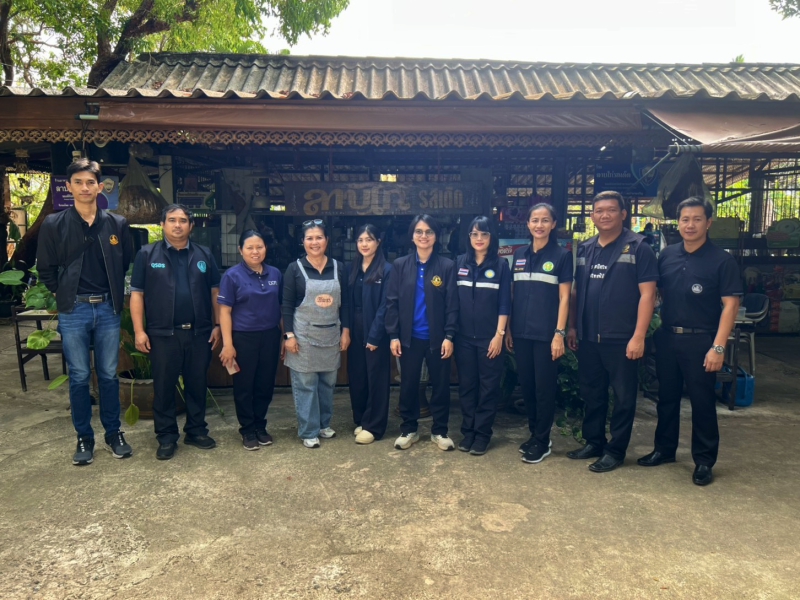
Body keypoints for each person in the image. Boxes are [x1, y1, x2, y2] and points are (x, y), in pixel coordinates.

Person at [638, 197, 742, 486]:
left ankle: (704, 460)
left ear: (708, 223)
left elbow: (731, 306)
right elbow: (654, 292)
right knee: (666, 398)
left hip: (701, 341)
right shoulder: (667, 255)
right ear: (678, 223)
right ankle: (664, 449)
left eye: (697, 219)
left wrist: (718, 347)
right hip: (668, 337)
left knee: (702, 402)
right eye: (685, 219)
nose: (690, 225)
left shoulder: (722, 261)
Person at [37, 158, 133, 466]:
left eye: (90, 182)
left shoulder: (117, 224)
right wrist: (62, 292)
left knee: (108, 374)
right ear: (69, 187)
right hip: (74, 309)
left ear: (100, 187)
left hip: (107, 308)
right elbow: (46, 267)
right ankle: (84, 437)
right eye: (78, 182)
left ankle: (113, 433)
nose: (84, 187)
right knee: (79, 376)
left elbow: (125, 261)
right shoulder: (54, 224)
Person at [566, 190, 658, 473]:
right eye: (599, 211)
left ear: (623, 214)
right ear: (592, 216)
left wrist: (638, 336)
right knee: (591, 392)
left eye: (611, 210)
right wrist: (573, 326)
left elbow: (648, 295)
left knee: (623, 397)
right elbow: (576, 291)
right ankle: (594, 442)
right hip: (588, 336)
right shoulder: (586, 248)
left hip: (622, 338)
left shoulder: (639, 247)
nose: (604, 215)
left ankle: (615, 450)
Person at [130, 204, 222, 461]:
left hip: (199, 333)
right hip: (162, 335)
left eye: (183, 220)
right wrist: (139, 331)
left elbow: (215, 292)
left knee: (197, 385)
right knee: (164, 387)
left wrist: (217, 325)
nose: (177, 225)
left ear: (191, 226)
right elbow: (137, 294)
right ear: (162, 224)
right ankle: (167, 437)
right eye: (172, 220)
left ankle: (196, 431)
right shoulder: (147, 254)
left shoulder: (204, 254)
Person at [506, 203, 573, 464]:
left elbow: (565, 298)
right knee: (528, 387)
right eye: (535, 220)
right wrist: (509, 328)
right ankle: (535, 434)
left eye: (545, 220)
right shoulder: (520, 254)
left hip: (546, 334)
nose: (539, 225)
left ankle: (543, 441)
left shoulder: (562, 256)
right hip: (521, 333)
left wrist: (559, 333)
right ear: (528, 224)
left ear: (553, 224)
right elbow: (513, 294)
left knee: (544, 389)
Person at [385, 214, 459, 451]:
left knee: (440, 386)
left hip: (438, 339)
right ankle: (409, 429)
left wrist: (449, 336)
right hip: (409, 338)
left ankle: (440, 431)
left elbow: (452, 304)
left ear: (436, 236)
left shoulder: (446, 266)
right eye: (419, 231)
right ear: (412, 236)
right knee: (408, 385)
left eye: (429, 232)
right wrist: (393, 335)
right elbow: (392, 302)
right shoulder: (400, 265)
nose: (423, 236)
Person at [282, 219, 350, 448]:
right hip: (303, 336)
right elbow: (286, 305)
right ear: (302, 242)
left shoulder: (339, 268)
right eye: (309, 238)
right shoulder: (294, 269)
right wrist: (289, 335)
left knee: (327, 384)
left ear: (327, 240)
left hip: (331, 334)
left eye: (319, 237)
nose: (314, 242)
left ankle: (323, 424)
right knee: (306, 384)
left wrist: (346, 331)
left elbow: (346, 304)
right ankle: (309, 431)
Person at [218, 230, 284, 451]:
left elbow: (281, 308)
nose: (255, 252)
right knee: (244, 386)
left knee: (265, 384)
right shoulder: (232, 276)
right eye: (250, 248)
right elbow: (225, 311)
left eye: (260, 247)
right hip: (243, 338)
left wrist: (285, 336)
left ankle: (260, 426)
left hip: (270, 336)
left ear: (266, 248)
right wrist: (228, 344)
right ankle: (247, 429)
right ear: (241, 250)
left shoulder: (275, 273)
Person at [454, 216, 511, 455]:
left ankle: (483, 434)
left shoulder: (501, 265)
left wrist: (499, 335)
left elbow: (505, 303)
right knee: (467, 387)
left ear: (491, 237)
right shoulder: (459, 263)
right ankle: (468, 432)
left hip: (490, 339)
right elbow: (453, 301)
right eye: (474, 234)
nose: (479, 239)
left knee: (488, 388)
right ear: (469, 237)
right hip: (464, 339)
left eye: (484, 234)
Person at [346, 224, 393, 445]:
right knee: (357, 375)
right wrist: (346, 330)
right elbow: (347, 302)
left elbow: (386, 305)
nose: (364, 244)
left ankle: (374, 425)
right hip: (355, 328)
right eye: (361, 240)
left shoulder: (387, 269)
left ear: (378, 242)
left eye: (369, 239)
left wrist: (375, 335)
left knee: (376, 377)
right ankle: (361, 419)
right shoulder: (352, 268)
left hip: (376, 329)